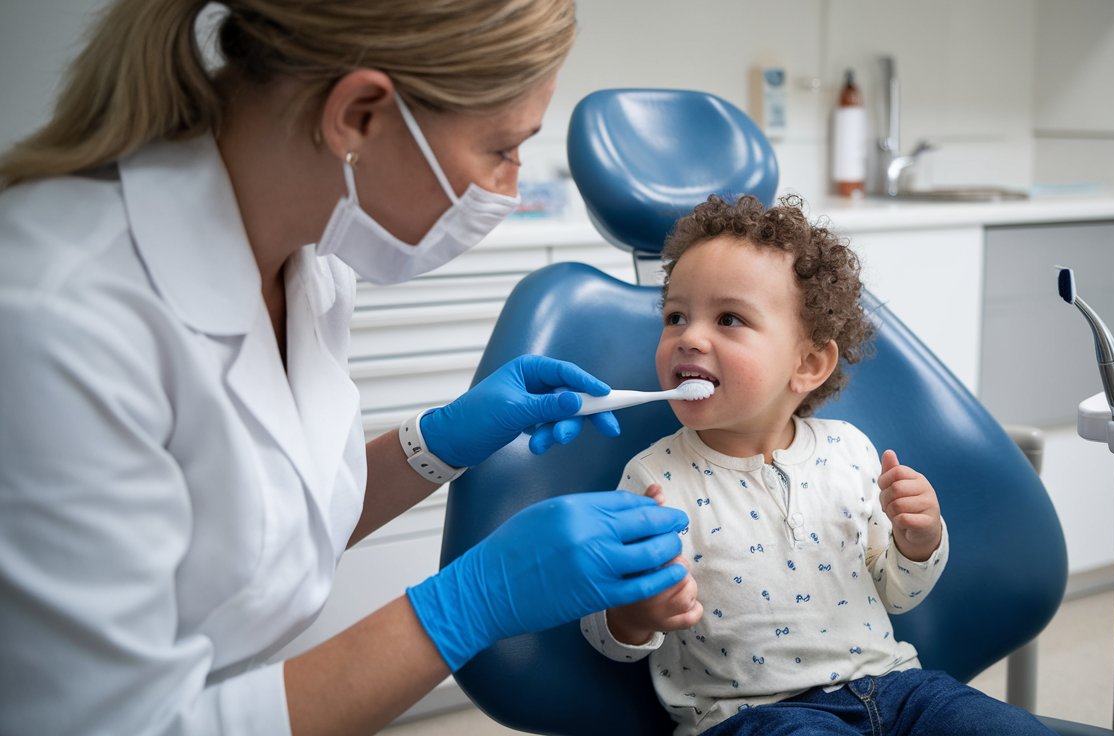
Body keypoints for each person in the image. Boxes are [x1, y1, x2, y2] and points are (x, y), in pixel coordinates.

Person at [0, 1, 691, 734]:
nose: (511, 188)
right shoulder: (54, 318)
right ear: (359, 115)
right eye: (500, 148)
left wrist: (437, 445)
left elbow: (261, 532)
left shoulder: (312, 262)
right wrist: (473, 601)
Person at [580, 194, 1056, 735]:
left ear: (807, 364)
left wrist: (916, 543)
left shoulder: (850, 450)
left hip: (897, 688)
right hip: (757, 716)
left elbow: (897, 594)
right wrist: (636, 614)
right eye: (676, 316)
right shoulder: (654, 480)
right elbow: (604, 633)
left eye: (729, 318)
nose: (689, 336)